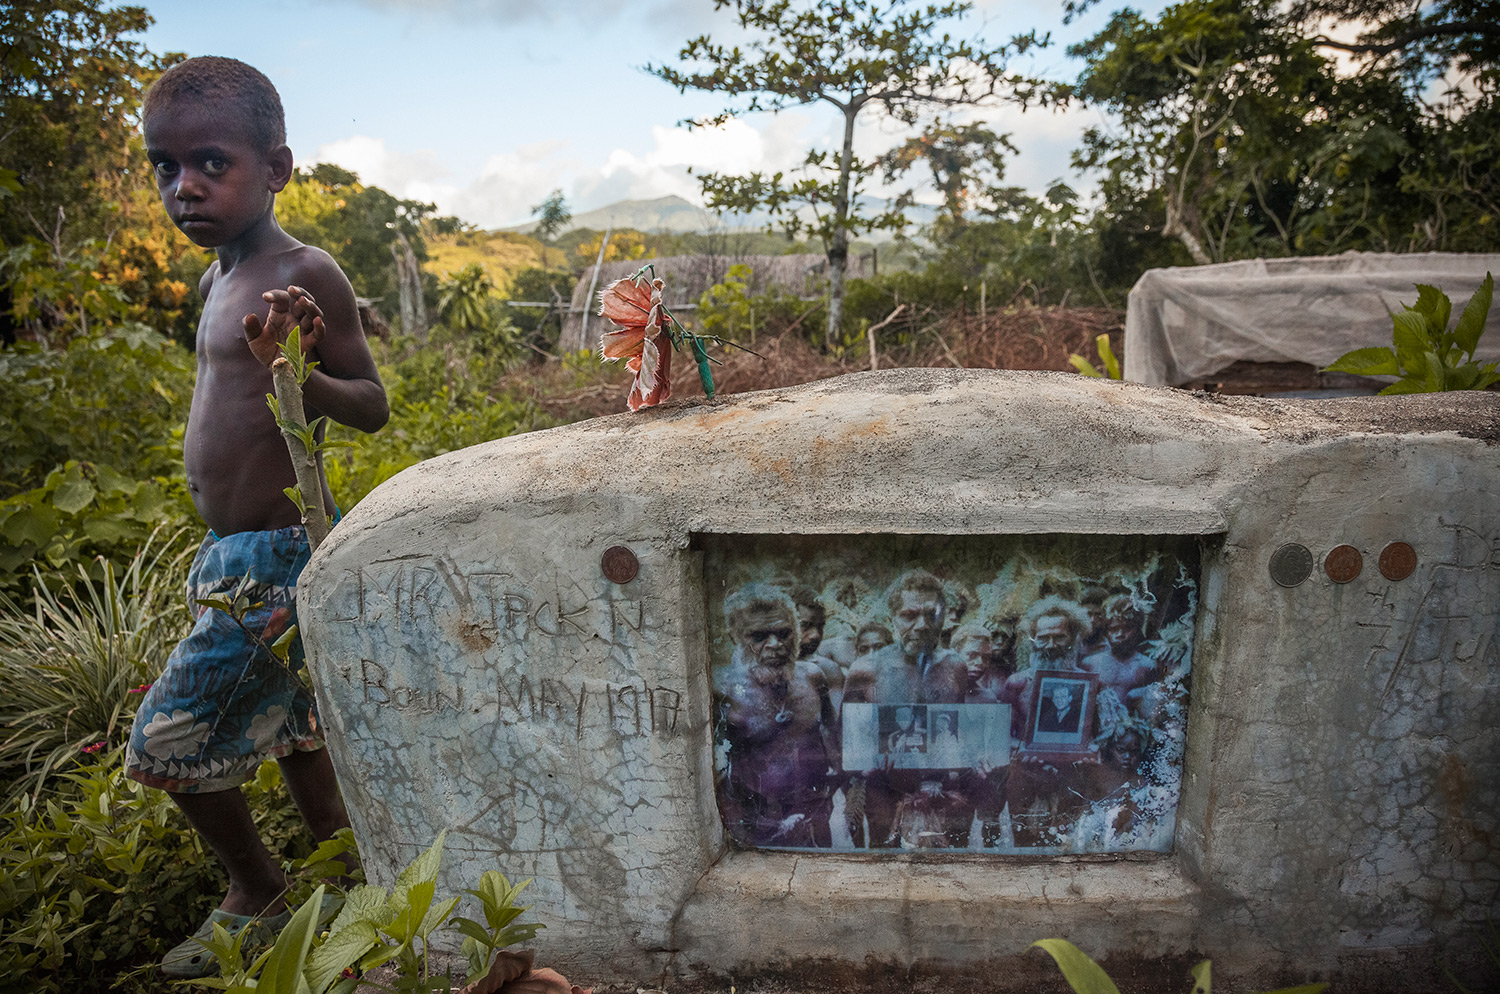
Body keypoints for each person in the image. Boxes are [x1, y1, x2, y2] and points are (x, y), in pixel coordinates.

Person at [123, 57, 390, 979]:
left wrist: (297, 372)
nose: (183, 187)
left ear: (275, 169)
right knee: (298, 733)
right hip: (228, 553)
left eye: (209, 163)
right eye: (165, 167)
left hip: (278, 556)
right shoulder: (216, 278)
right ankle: (359, 884)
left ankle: (258, 891)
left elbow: (370, 403)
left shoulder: (303, 269)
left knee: (163, 742)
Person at [843, 570, 968, 846]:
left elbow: (956, 731)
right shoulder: (866, 671)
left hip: (938, 789)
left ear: (944, 617)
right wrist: (868, 761)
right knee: (885, 865)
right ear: (892, 618)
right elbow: (848, 736)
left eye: (931, 614)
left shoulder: (956, 667)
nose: (922, 625)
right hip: (884, 787)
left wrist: (946, 777)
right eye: (909, 615)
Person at [713, 584, 838, 848]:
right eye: (758, 637)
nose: (775, 645)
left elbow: (833, 737)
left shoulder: (813, 678)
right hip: (755, 826)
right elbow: (716, 777)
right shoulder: (723, 692)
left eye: (784, 634)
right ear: (735, 637)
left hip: (813, 815)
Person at [1002, 597, 1096, 847]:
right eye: (1043, 637)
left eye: (1059, 636)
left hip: (1071, 779)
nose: (1050, 645)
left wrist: (1090, 751)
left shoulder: (1089, 685)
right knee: (1025, 848)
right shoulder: (1017, 683)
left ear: (1074, 637)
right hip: (1026, 777)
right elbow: (1003, 736)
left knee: (1064, 849)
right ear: (1033, 639)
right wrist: (1022, 751)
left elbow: (1099, 737)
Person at [1081, 595, 1159, 707]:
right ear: (1106, 632)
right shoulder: (1090, 663)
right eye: (1113, 629)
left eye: (1127, 628)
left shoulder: (1148, 665)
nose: (1120, 634)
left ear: (1137, 630)